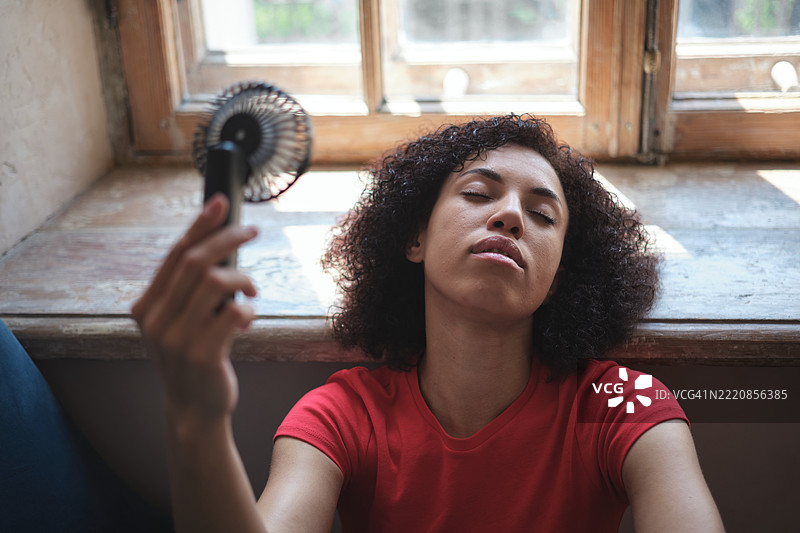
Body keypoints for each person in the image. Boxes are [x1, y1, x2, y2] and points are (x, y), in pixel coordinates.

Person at [131, 114, 725, 532]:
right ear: (414, 237)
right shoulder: (341, 415)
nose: (510, 216)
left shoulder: (622, 406)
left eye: (543, 215)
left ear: (559, 274)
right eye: (478, 194)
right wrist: (195, 418)